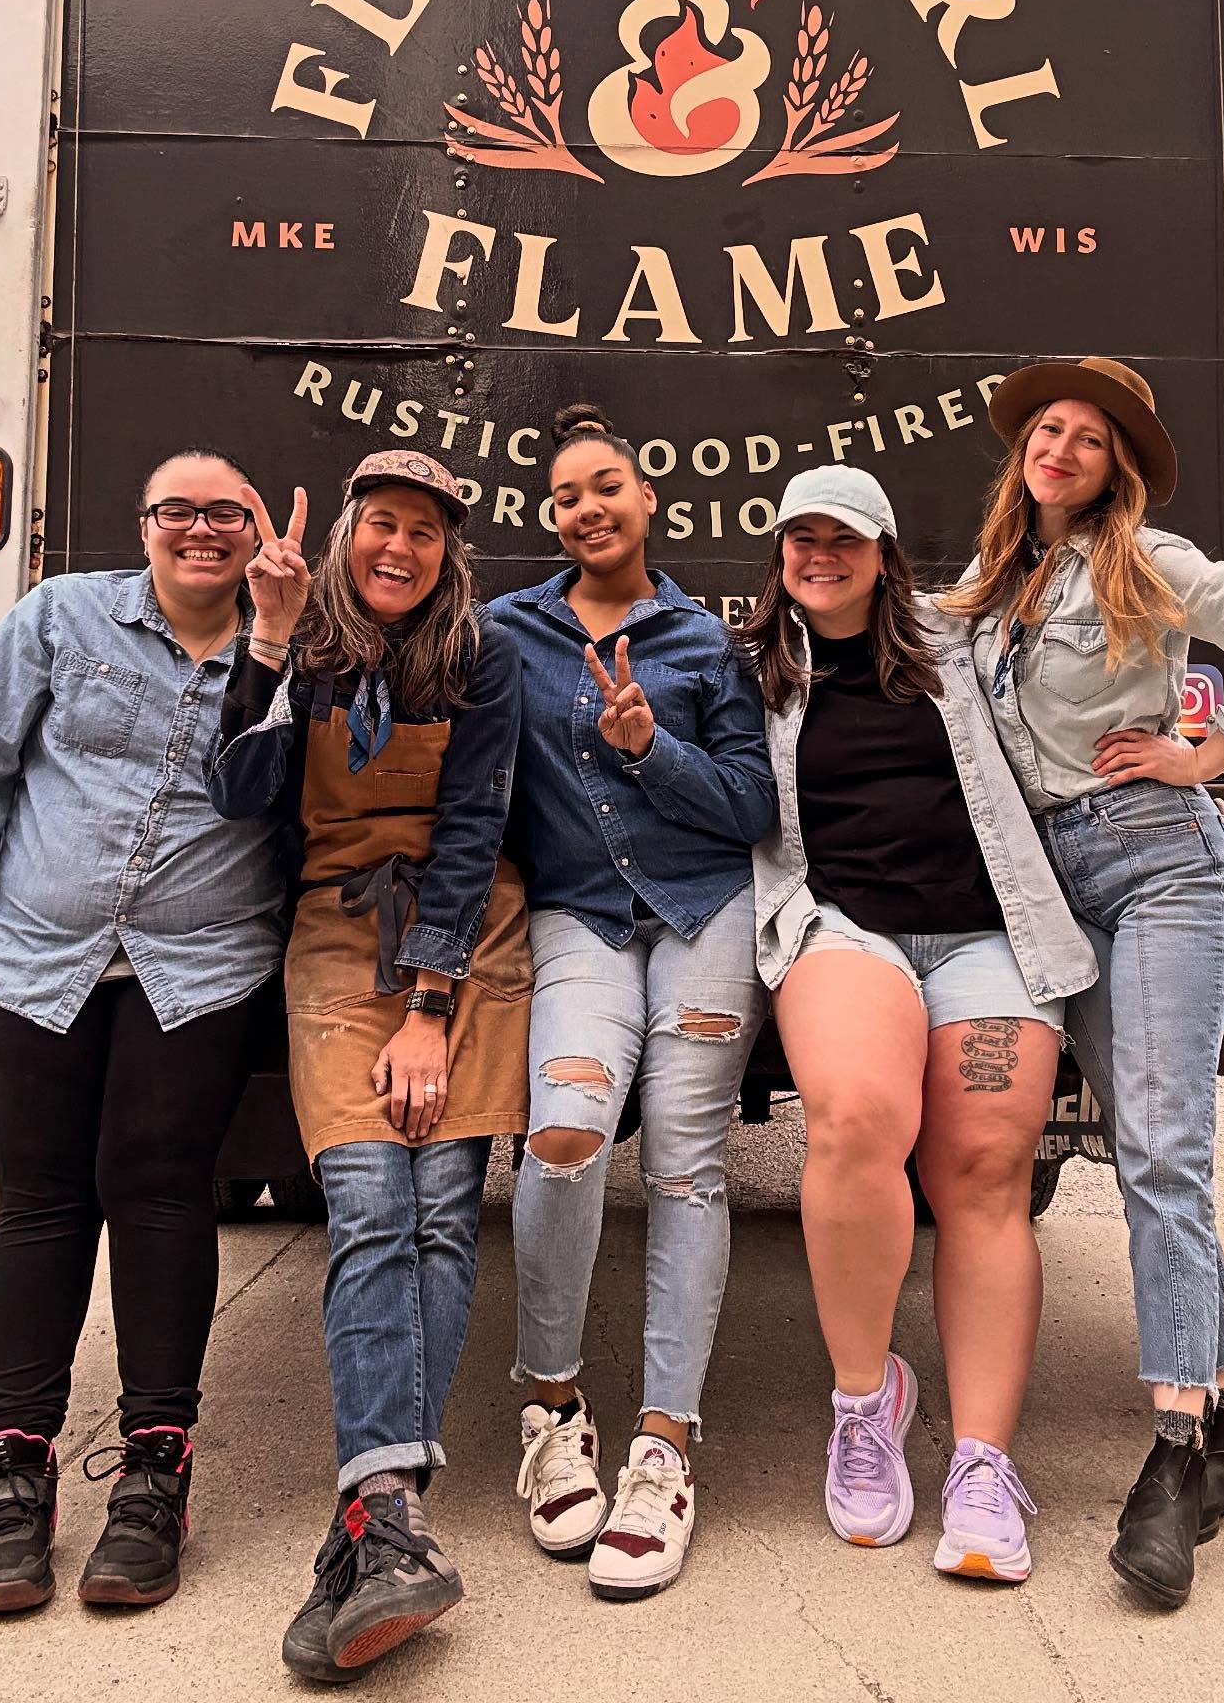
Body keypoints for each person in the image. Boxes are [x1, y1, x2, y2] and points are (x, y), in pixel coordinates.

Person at [945, 355, 1224, 1607]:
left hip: (1164, 866)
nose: (1059, 447)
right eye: (1045, 430)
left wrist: (1202, 752)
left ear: (1118, 466)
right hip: (1060, 887)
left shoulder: (1149, 560)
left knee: (1166, 1148)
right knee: (1144, 1149)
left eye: (1088, 437)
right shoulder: (992, 590)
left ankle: (1174, 1454)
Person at [0, 449, 284, 1616]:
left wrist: (276, 643)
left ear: (256, 530)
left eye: (225, 513)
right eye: (176, 509)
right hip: (36, 954)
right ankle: (16, 1481)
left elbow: (275, 798)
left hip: (201, 966)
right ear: (142, 525)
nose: (200, 530)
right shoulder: (56, 617)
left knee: (161, 1188)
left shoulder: (289, 650)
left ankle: (153, 1477)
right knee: (39, 1198)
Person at [207, 447, 530, 1681]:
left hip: (467, 935)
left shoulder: (481, 657)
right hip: (338, 934)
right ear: (348, 535)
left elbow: (473, 829)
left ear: (452, 554)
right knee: (364, 1206)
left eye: (427, 533)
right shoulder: (303, 638)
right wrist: (271, 640)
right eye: (380, 525)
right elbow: (240, 795)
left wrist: (433, 1007)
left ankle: (378, 1508)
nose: (401, 549)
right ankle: (385, 1512)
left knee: (444, 1212)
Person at [742, 464, 1096, 1583]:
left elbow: (1078, 633)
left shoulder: (963, 648)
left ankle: (984, 1467)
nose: (819, 555)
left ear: (886, 554)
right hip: (847, 927)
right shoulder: (753, 673)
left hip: (990, 936)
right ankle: (865, 1401)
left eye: (843, 538)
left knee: (986, 1167)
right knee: (852, 1120)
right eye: (801, 538)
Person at [490, 403, 775, 1603]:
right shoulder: (506, 634)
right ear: (550, 520)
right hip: (580, 921)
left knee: (686, 1167)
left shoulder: (707, 645)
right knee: (562, 1141)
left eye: (605, 485)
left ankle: (666, 1445)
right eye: (565, 496)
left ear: (648, 498)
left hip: (704, 918)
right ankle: (553, 1411)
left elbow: (753, 811)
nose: (587, 508)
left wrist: (652, 743)